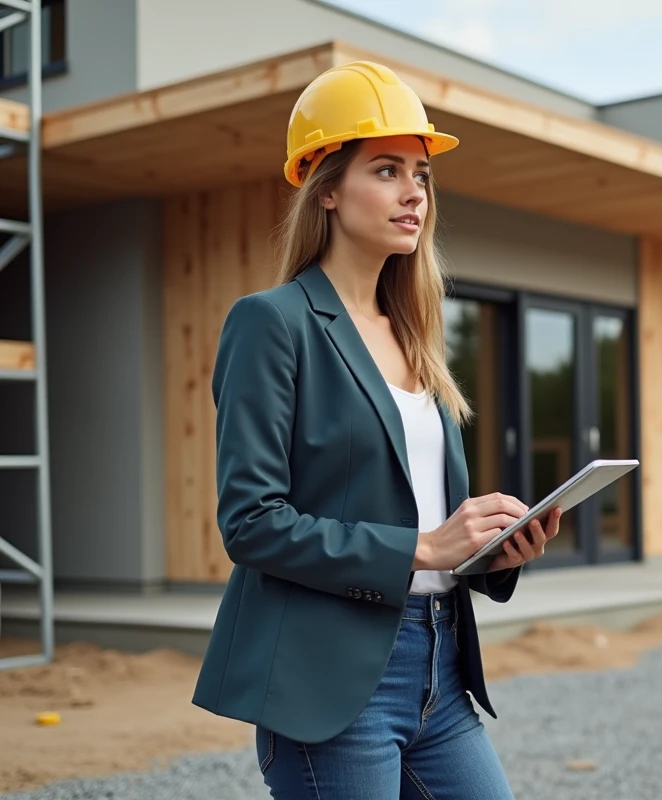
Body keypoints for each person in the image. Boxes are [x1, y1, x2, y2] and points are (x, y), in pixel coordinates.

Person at [191, 60, 560, 799]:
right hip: (330, 684)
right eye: (386, 170)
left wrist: (491, 550)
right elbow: (252, 524)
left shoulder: (417, 336)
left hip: (441, 667)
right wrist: (426, 545)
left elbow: (423, 517)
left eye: (421, 174)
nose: (413, 192)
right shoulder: (273, 324)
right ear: (326, 187)